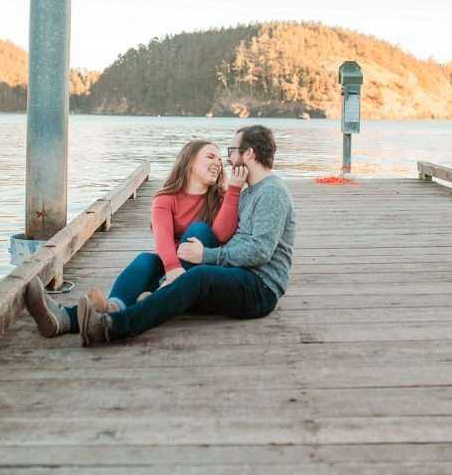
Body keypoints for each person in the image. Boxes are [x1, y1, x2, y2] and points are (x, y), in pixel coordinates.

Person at [76, 124, 295, 346]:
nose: (227, 160)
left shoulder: (272, 192)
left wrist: (206, 256)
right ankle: (74, 317)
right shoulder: (249, 195)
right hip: (238, 276)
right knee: (155, 266)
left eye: (232, 151)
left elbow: (260, 251)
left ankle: (111, 327)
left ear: (248, 153)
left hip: (260, 288)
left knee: (198, 276)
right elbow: (228, 238)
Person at [25, 139, 248, 338]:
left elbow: (220, 235)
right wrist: (171, 271)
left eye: (220, 159)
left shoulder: (223, 198)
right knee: (146, 260)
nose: (218, 163)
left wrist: (234, 190)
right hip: (173, 275)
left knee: (199, 231)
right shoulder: (165, 198)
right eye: (210, 156)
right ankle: (79, 316)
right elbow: (163, 240)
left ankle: (148, 299)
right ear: (189, 162)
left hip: (200, 280)